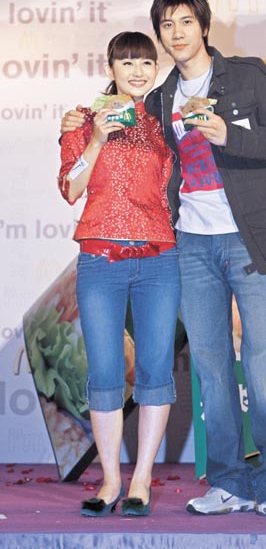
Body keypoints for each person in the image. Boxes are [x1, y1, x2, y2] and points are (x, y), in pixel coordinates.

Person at [61, 0, 266, 518]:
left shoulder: (246, 74)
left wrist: (230, 134)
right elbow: (113, 119)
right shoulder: (159, 99)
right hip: (192, 245)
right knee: (210, 365)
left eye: (185, 22)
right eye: (167, 25)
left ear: (203, 26)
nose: (177, 33)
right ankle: (227, 481)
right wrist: (80, 123)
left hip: (250, 238)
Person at [58, 31, 180, 517]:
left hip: (159, 258)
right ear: (110, 68)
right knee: (106, 372)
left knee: (156, 370)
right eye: (126, 62)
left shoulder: (165, 123)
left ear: (156, 69)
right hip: (100, 258)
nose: (137, 71)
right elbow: (70, 189)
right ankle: (110, 480)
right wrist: (96, 138)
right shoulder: (83, 119)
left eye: (146, 62)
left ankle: (142, 480)